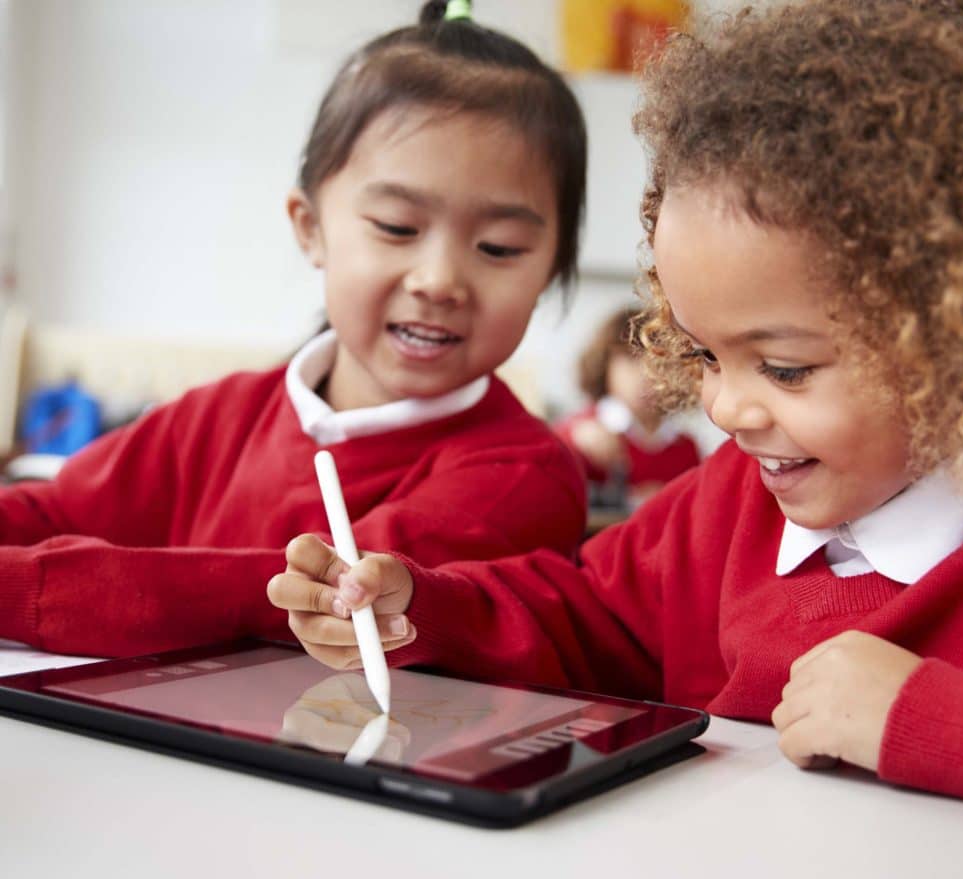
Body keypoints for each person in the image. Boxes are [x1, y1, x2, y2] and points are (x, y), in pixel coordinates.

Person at [268, 0, 963, 812]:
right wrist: (426, 607)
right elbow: (588, 619)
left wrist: (924, 719)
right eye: (703, 355)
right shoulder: (728, 501)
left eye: (786, 370)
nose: (725, 409)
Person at [0, 0, 588, 657]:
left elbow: (300, 598)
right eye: (397, 227)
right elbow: (51, 512)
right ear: (310, 227)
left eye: (500, 246)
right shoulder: (216, 417)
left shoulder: (522, 476)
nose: (438, 279)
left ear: (552, 269)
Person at [554, 304, 699, 507]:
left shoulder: (685, 449)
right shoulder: (584, 430)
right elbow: (551, 455)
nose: (645, 374)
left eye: (658, 361)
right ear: (605, 365)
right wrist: (575, 436)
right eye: (631, 359)